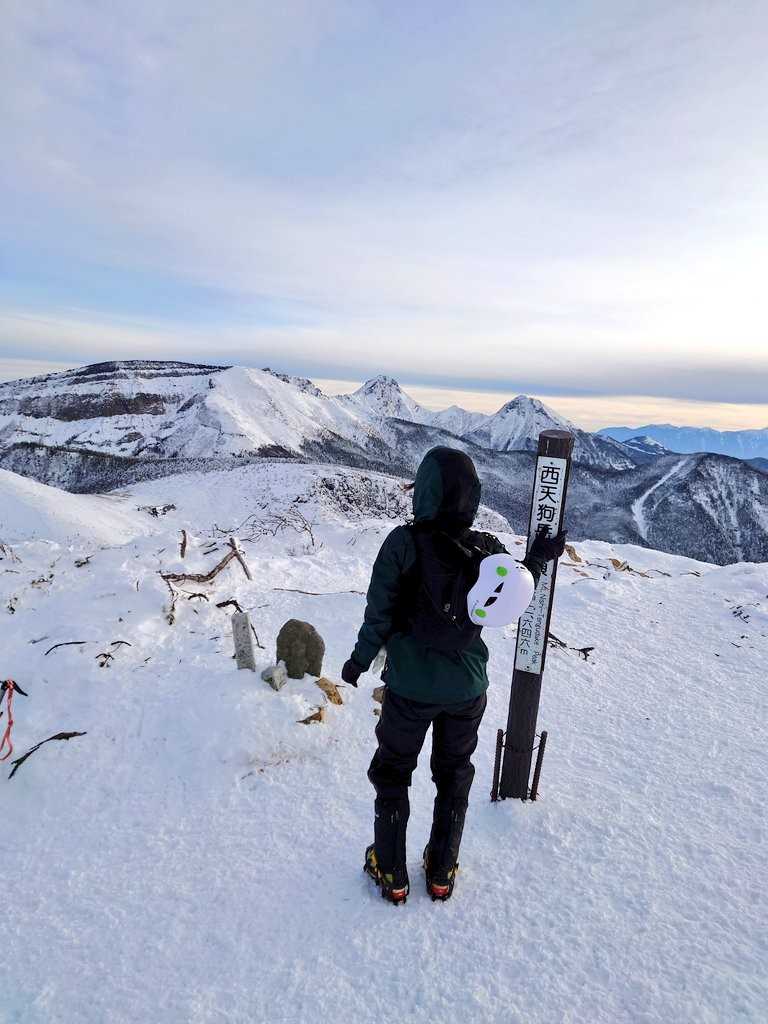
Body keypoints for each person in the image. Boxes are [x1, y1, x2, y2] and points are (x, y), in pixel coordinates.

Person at [341, 446, 566, 904]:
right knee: (454, 774)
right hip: (467, 689)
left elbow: (378, 614)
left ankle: (392, 874)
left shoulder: (402, 544)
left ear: (425, 491)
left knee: (392, 773)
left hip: (408, 687)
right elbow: (515, 589)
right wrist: (539, 559)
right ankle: (442, 870)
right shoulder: (486, 549)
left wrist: (358, 662)